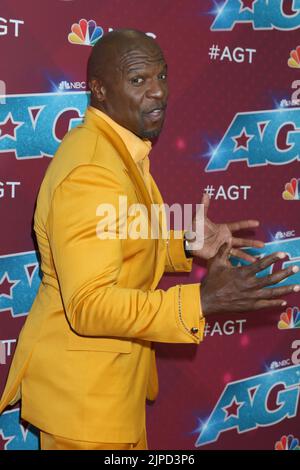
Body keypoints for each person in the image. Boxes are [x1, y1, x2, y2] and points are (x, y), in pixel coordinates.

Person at [0, 29, 298, 451]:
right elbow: (91, 305)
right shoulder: (92, 171)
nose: (158, 92)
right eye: (138, 81)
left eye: (162, 75)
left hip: (108, 391)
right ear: (99, 90)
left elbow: (117, 234)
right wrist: (202, 302)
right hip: (86, 407)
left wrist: (185, 245)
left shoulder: (115, 146)